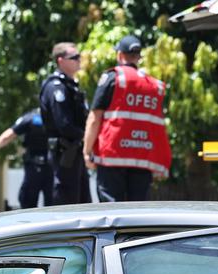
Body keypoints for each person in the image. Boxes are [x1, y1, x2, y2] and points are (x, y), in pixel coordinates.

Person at [83, 35, 172, 202]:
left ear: (119, 55)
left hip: (112, 156)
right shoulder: (154, 85)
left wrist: (87, 151)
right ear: (138, 57)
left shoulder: (113, 78)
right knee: (137, 211)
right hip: (142, 157)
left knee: (111, 209)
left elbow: (95, 118)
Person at [39, 42, 91, 205]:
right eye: (74, 57)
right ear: (60, 60)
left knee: (82, 201)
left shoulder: (71, 86)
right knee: (67, 201)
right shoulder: (56, 87)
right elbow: (64, 124)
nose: (79, 60)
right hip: (65, 153)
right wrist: (87, 136)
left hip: (76, 152)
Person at [0, 109, 53, 209]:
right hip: (54, 167)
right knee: (54, 206)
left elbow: (10, 134)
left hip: (34, 167)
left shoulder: (31, 118)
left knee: (27, 204)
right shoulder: (58, 116)